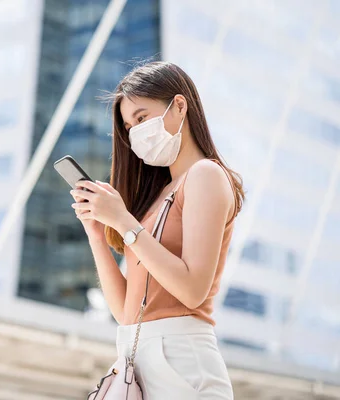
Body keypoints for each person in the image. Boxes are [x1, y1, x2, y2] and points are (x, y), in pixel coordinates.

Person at [70, 61, 244, 399]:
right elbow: (125, 312)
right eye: (128, 125)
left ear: (179, 106)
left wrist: (124, 221)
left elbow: (193, 291)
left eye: (142, 117)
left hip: (182, 363)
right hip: (138, 358)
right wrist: (96, 233)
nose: (135, 131)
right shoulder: (156, 199)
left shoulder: (205, 175)